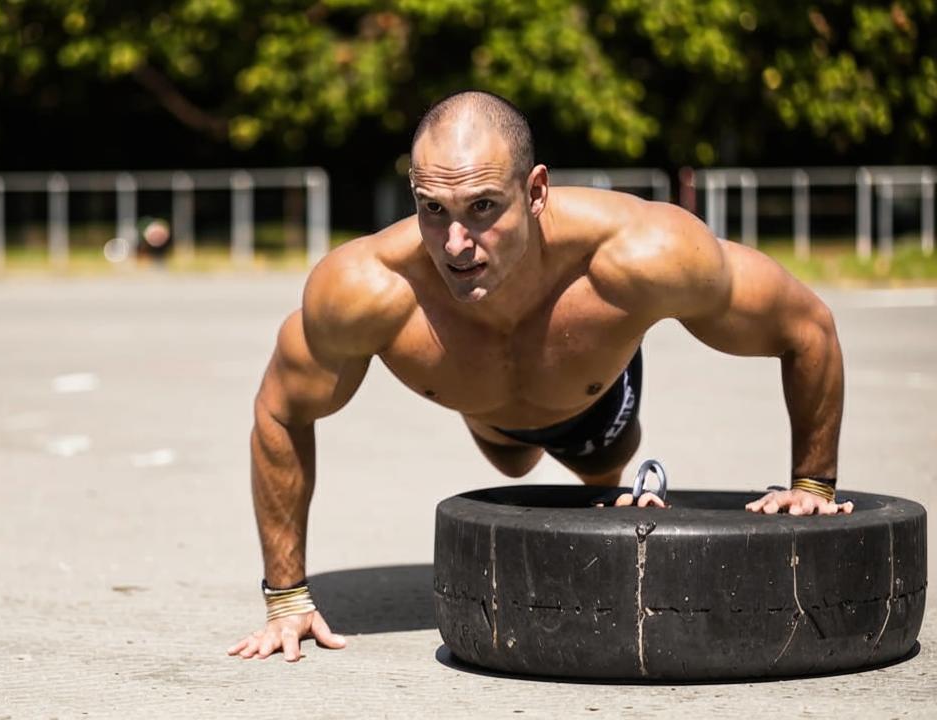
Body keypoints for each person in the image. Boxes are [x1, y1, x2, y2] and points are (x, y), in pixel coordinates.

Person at [227, 90, 851, 663]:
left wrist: (812, 485)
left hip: (594, 394)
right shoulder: (366, 288)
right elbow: (281, 411)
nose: (455, 243)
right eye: (433, 210)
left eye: (483, 208)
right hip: (483, 405)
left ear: (536, 191)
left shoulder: (643, 252)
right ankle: (503, 426)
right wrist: (285, 597)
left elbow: (807, 328)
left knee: (601, 471)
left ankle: (606, 473)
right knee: (513, 465)